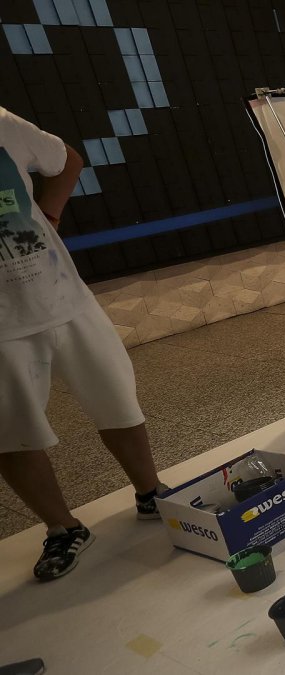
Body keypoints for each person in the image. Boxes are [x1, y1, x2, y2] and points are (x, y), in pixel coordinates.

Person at [0, 108, 166, 581]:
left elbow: (67, 160)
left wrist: (49, 213)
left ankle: (151, 492)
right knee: (12, 433)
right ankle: (62, 527)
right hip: (1, 326)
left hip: (64, 296)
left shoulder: (3, 123)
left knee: (118, 400)